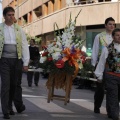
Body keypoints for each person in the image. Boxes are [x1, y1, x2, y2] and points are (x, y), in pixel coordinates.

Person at [0, 6, 29, 119]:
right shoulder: (0, 28)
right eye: (9, 15)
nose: (12, 17)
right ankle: (5, 110)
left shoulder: (18, 29)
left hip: (17, 60)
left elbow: (24, 45)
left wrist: (25, 62)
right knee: (5, 85)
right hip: (4, 60)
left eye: (13, 14)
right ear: (4, 16)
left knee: (13, 85)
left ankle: (9, 106)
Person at [94, 28, 120, 120]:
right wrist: (99, 75)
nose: (119, 37)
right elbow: (101, 63)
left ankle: (110, 111)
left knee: (114, 95)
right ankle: (115, 115)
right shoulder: (107, 49)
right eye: (117, 35)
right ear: (113, 37)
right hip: (111, 76)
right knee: (113, 95)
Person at [91, 17, 115, 113]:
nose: (112, 26)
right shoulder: (99, 36)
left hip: (113, 67)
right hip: (101, 66)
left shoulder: (117, 36)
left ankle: (110, 109)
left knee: (112, 89)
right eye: (110, 24)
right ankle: (97, 106)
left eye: (113, 24)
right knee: (100, 88)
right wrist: (94, 65)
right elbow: (95, 51)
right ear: (105, 25)